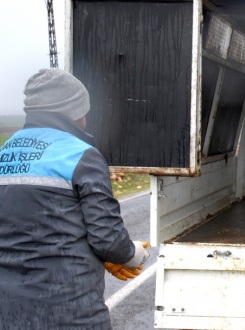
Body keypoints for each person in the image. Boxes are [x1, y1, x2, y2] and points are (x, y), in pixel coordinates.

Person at [0, 68, 150, 329]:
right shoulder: (81, 155)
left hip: (9, 313)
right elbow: (108, 239)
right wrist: (131, 253)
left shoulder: (4, 154)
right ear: (73, 112)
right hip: (70, 311)